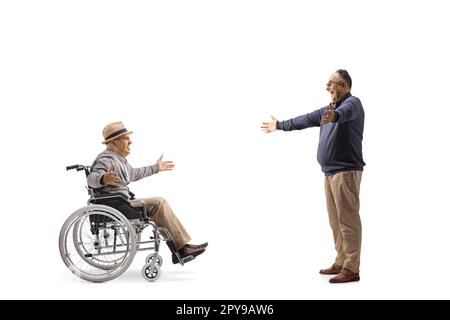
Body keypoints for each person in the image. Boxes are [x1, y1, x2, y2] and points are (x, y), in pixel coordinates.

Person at [261, 69, 365, 283]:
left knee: (348, 220)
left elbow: (343, 114)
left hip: (346, 172)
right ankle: (342, 260)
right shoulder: (329, 108)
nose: (327, 87)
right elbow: (305, 119)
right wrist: (279, 125)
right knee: (335, 221)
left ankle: (352, 268)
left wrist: (334, 116)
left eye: (332, 83)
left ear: (344, 85)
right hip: (329, 173)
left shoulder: (352, 104)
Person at [87, 121, 208, 264]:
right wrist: (102, 178)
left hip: (122, 202)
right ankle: (181, 249)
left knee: (159, 203)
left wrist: (156, 167)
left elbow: (134, 174)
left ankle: (181, 249)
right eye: (126, 138)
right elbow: (91, 179)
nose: (130, 142)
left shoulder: (120, 160)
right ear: (114, 142)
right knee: (159, 202)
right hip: (116, 205)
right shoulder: (106, 159)